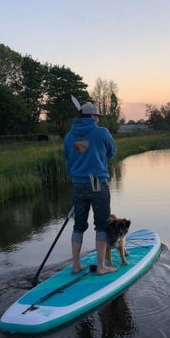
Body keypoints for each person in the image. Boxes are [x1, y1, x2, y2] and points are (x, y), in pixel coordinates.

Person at [63, 102, 117, 275]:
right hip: (98, 183)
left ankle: (76, 265)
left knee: (78, 225)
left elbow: (69, 161)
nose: (98, 119)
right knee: (102, 225)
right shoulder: (102, 132)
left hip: (78, 185)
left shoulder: (70, 136)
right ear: (93, 116)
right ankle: (101, 267)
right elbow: (112, 153)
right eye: (97, 116)